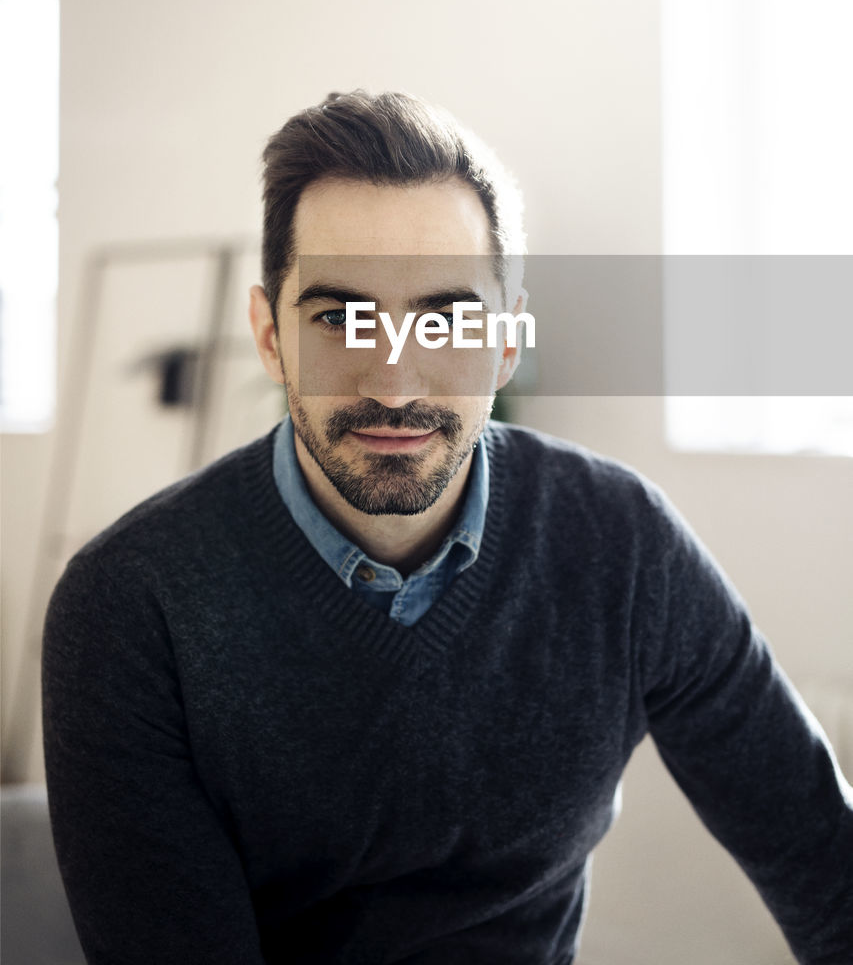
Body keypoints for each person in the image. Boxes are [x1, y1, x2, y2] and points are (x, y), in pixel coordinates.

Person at [42, 90, 853, 964]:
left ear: (507, 340)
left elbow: (823, 863)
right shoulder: (130, 606)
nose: (394, 384)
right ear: (269, 336)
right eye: (340, 318)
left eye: (447, 317)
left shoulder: (620, 543)